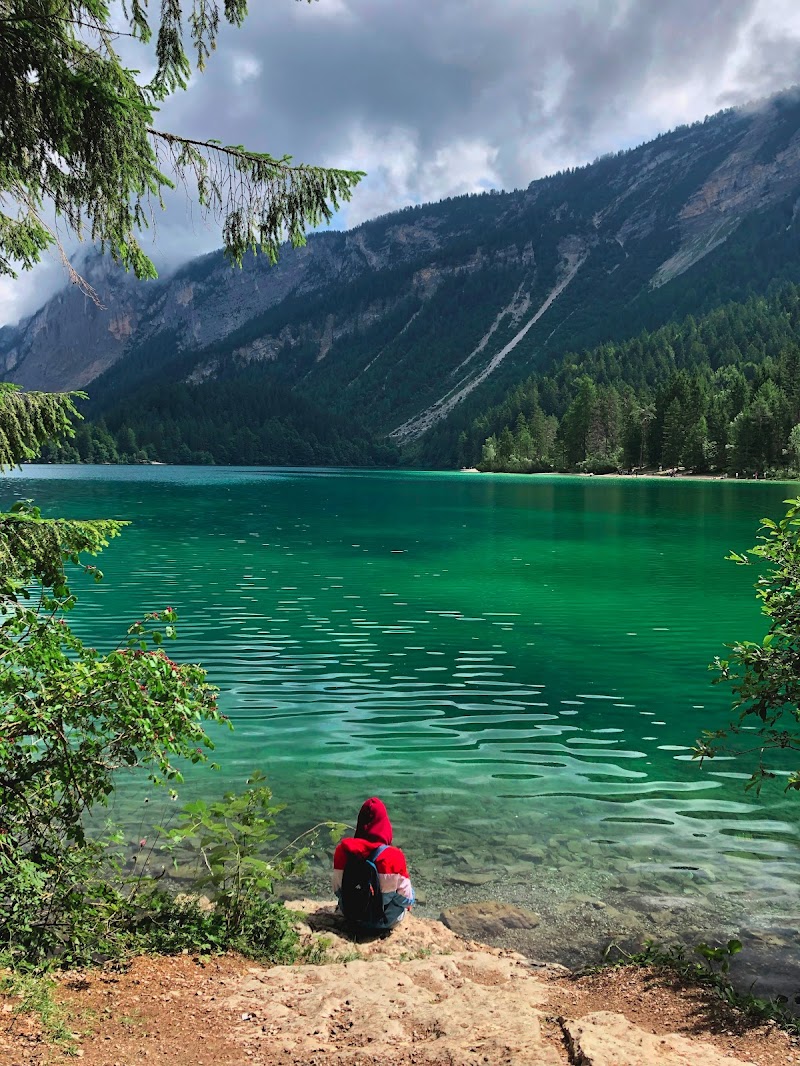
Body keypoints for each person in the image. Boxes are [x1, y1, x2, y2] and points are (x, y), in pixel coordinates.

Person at [332, 797, 414, 929]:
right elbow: (406, 899)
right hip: (385, 922)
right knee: (407, 895)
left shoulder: (342, 851)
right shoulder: (394, 856)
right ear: (385, 825)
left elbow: (337, 890)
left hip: (351, 917)